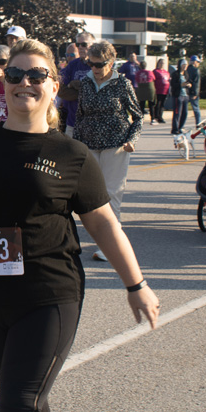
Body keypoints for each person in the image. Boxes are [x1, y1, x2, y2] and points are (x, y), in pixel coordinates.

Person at [0, 38, 159, 412]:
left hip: (49, 296)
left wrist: (136, 285)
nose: (25, 83)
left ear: (54, 86)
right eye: (15, 74)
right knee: (27, 398)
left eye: (37, 76)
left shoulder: (71, 154)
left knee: (18, 401)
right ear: (4, 82)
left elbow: (104, 223)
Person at [74, 41, 143, 263]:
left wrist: (132, 140)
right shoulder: (86, 83)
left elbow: (138, 117)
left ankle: (110, 245)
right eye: (91, 64)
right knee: (91, 195)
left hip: (116, 144)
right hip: (89, 144)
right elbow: (80, 116)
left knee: (112, 193)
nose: (94, 68)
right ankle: (99, 238)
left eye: (99, 64)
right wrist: (76, 144)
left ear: (111, 63)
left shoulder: (122, 83)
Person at [58, 31, 96, 138]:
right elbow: (61, 90)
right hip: (72, 122)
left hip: (93, 124)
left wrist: (75, 85)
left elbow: (99, 91)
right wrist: (85, 90)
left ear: (92, 45)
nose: (80, 47)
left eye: (84, 44)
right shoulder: (73, 65)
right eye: (77, 44)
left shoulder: (98, 65)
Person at [169, 58, 191, 135]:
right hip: (178, 96)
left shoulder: (186, 74)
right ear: (180, 65)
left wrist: (189, 85)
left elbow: (189, 81)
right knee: (177, 113)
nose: (185, 66)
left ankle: (180, 127)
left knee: (185, 113)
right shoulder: (175, 74)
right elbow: (173, 84)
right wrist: (180, 85)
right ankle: (175, 129)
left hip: (185, 95)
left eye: (186, 65)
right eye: (183, 65)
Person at [134, 60, 157, 124]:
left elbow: (136, 80)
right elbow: (153, 79)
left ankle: (141, 118)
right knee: (151, 105)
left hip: (141, 89)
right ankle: (152, 118)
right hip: (149, 89)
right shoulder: (149, 72)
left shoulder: (138, 73)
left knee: (142, 104)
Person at [152, 58, 170, 124]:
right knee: (158, 103)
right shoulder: (155, 71)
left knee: (162, 104)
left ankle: (160, 116)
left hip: (165, 90)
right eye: (161, 63)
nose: (162, 64)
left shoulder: (166, 72)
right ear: (158, 63)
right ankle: (156, 116)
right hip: (158, 90)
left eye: (163, 63)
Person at [187, 55, 202, 127]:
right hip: (193, 92)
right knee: (196, 109)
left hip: (186, 91)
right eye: (198, 62)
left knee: (183, 109)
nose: (198, 64)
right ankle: (198, 123)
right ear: (195, 62)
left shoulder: (186, 69)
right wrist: (196, 93)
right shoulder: (196, 70)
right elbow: (196, 83)